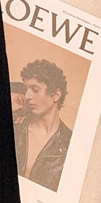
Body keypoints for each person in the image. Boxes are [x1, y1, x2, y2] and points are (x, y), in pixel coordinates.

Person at [14, 59, 72, 191]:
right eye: (26, 90)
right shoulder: (16, 128)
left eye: (35, 90)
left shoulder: (70, 143)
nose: (27, 96)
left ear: (56, 95)